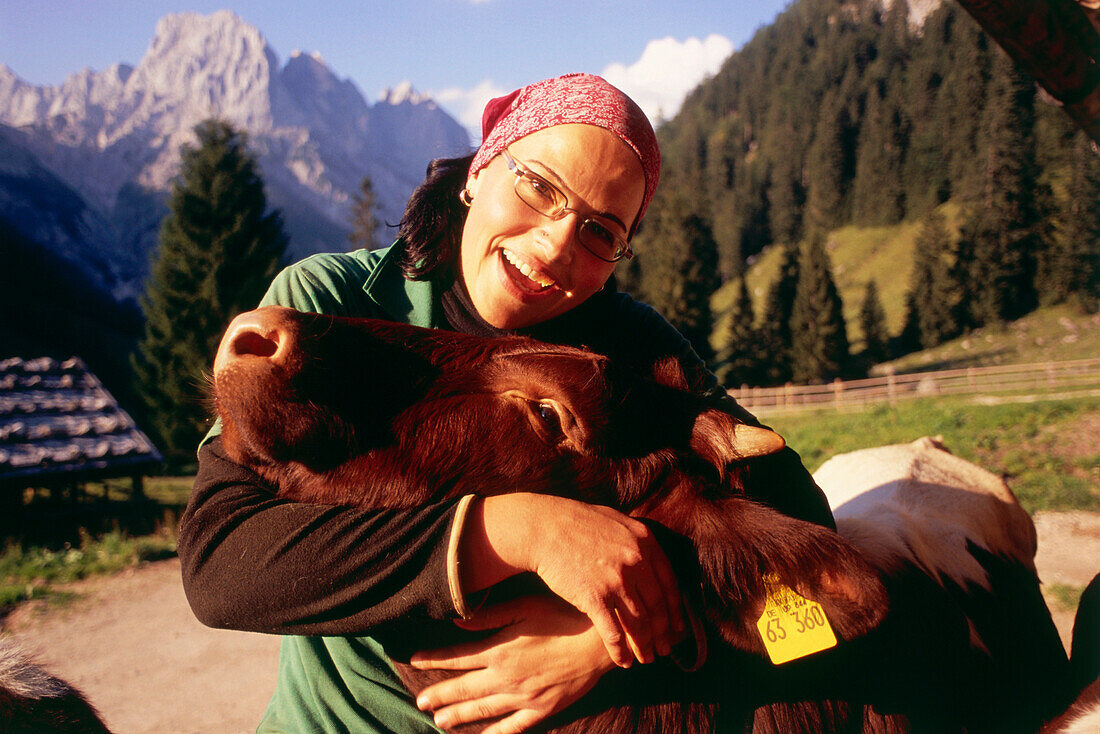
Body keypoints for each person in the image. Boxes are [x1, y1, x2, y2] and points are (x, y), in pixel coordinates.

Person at [178, 73, 835, 734]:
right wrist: (523, 532)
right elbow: (221, 565)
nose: (555, 247)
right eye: (539, 187)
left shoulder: (633, 352)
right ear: (481, 167)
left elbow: (812, 557)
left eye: (601, 233)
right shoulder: (329, 308)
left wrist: (605, 640)